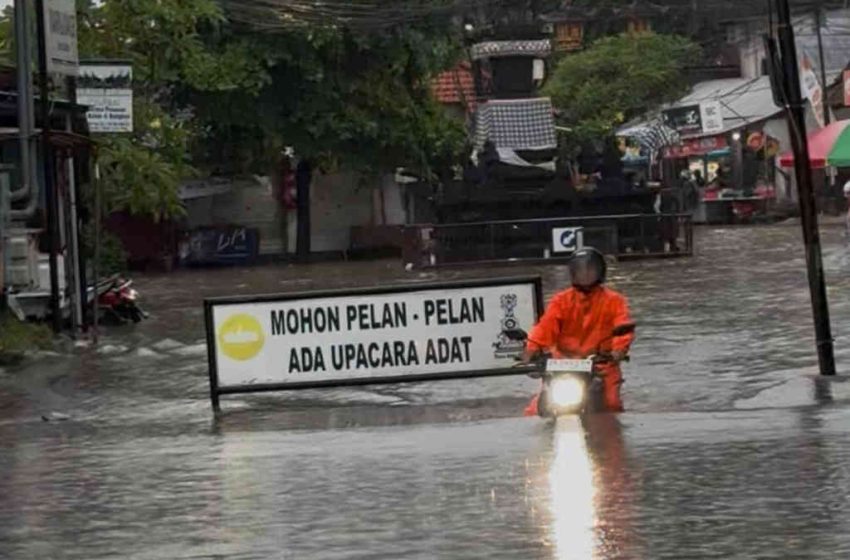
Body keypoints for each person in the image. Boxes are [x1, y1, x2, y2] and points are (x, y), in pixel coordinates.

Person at [521, 248, 635, 414]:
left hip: (601, 364)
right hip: (563, 364)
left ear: (600, 272)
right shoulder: (561, 301)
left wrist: (619, 349)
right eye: (580, 270)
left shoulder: (615, 301)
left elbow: (623, 327)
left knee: (612, 405)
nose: (585, 274)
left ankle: (610, 438)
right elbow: (545, 326)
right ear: (573, 273)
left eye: (590, 269)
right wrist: (531, 348)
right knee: (533, 412)